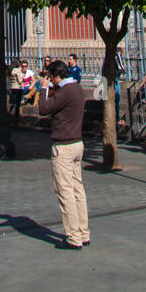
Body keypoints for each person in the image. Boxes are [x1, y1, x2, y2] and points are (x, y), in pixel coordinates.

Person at [38, 59, 90, 249]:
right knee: (78, 189)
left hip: (64, 146)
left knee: (64, 191)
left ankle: (73, 237)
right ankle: (84, 232)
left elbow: (43, 109)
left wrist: (44, 89)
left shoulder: (64, 92)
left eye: (49, 77)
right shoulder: (76, 88)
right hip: (78, 143)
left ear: (54, 76)